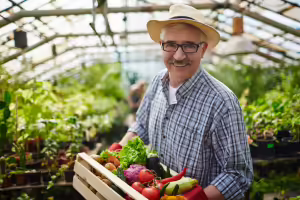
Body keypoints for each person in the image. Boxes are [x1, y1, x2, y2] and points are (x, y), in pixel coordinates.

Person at [115, 4, 253, 200]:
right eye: (171, 44)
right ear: (161, 44)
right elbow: (142, 126)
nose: (179, 56)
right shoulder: (157, 82)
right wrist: (115, 153)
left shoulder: (222, 103)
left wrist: (194, 198)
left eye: (189, 45)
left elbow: (238, 175)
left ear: (203, 49)